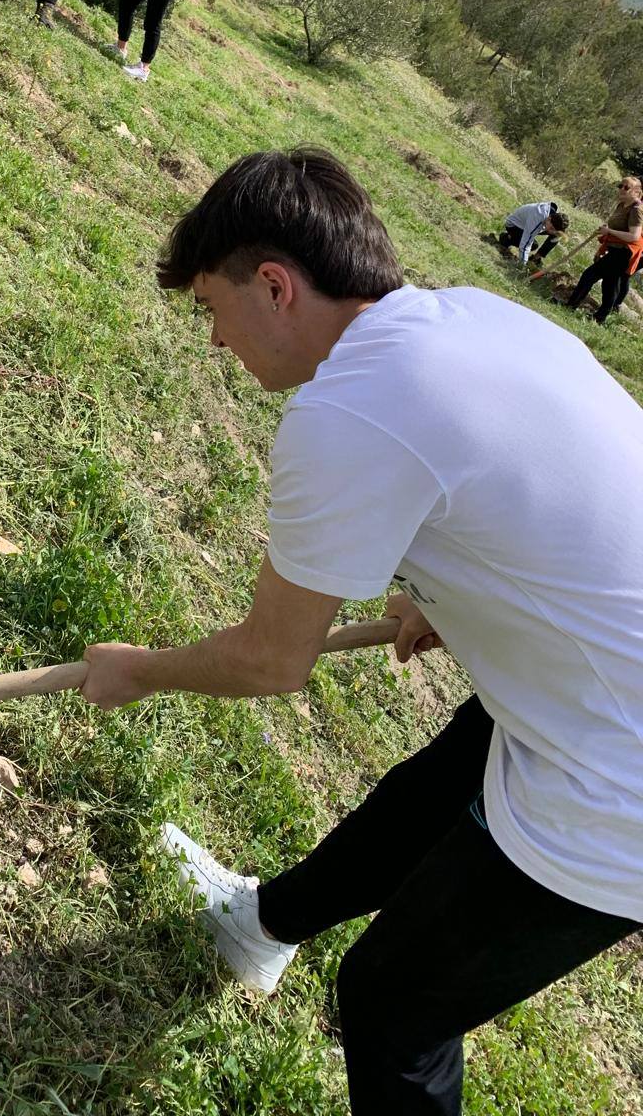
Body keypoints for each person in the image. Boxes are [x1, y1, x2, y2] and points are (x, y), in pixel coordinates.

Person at [77, 147, 642, 1116]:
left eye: (213, 309)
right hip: (613, 694)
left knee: (394, 1002)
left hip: (623, 788)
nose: (217, 341)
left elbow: (269, 660)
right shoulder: (477, 318)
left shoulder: (350, 411)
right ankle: (261, 925)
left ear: (275, 285)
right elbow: (547, 493)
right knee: (437, 787)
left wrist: (139, 668)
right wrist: (455, 589)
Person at [564, 175, 643, 323]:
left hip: (625, 253)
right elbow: (614, 228)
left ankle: (578, 308)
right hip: (616, 250)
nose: (621, 189)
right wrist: (603, 245)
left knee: (594, 277)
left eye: (626, 187)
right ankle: (597, 316)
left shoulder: (636, 210)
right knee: (608, 284)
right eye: (620, 185)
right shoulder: (622, 205)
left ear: (637, 192)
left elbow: (634, 236)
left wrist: (610, 232)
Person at [498, 200, 568, 266]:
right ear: (549, 218)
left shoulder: (554, 217)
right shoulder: (538, 216)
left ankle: (535, 259)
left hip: (529, 225)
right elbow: (526, 244)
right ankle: (506, 238)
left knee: (557, 235)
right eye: (551, 228)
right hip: (514, 225)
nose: (551, 231)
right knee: (533, 245)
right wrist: (522, 265)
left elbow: (557, 231)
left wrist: (555, 232)